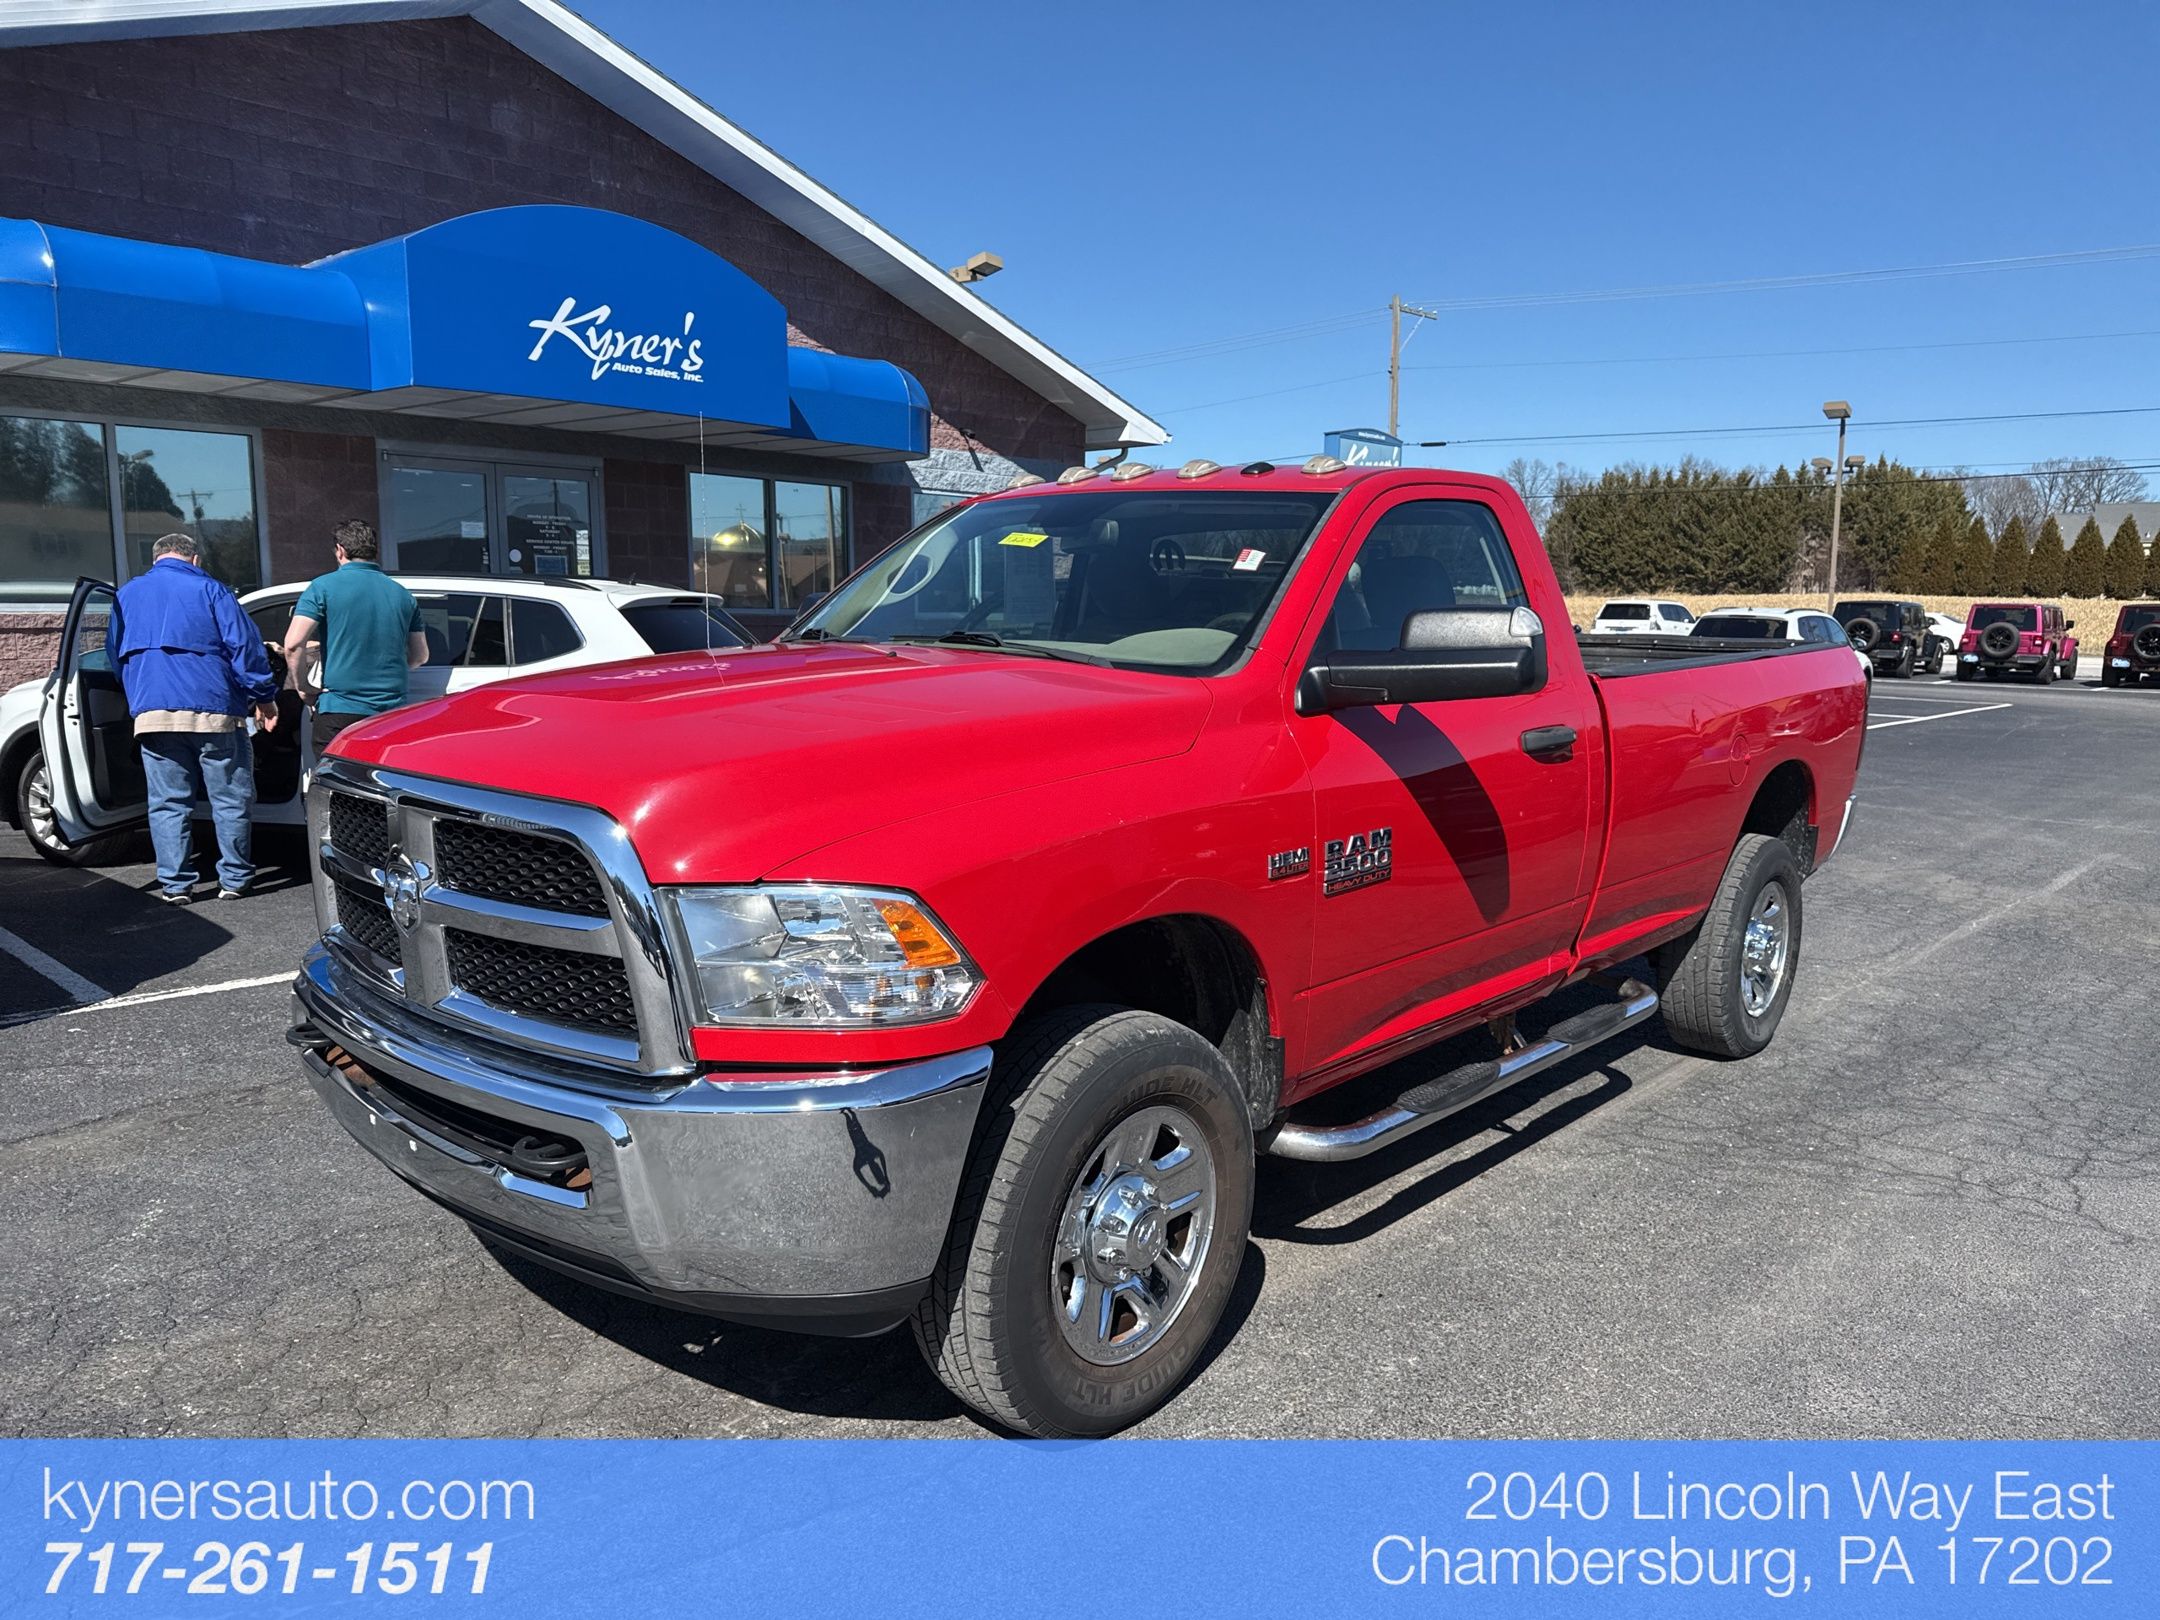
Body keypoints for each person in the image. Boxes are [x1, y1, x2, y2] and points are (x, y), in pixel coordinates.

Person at [109, 532, 280, 904]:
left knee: (168, 803)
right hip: (214, 711)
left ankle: (175, 886)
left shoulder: (127, 595)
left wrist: (140, 693)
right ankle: (234, 880)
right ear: (195, 559)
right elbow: (244, 647)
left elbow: (115, 654)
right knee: (229, 799)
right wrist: (264, 697)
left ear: (156, 558)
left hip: (153, 714)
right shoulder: (213, 590)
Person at [282, 519, 428, 755]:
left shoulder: (322, 587)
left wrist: (304, 687)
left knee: (336, 777)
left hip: (339, 710)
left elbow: (293, 644)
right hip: (391, 714)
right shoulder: (403, 595)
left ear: (340, 550)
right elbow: (420, 656)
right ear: (374, 551)